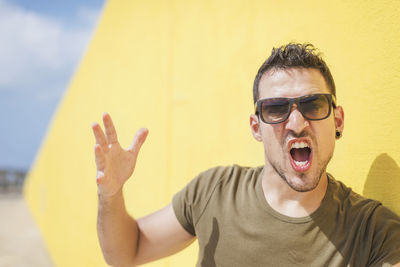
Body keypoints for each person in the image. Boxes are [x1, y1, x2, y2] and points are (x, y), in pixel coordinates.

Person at [92, 43, 400, 267]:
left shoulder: (374, 232)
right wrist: (111, 194)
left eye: (313, 105)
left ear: (338, 120)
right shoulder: (215, 190)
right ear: (256, 127)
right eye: (276, 109)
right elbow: (125, 253)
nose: (296, 123)